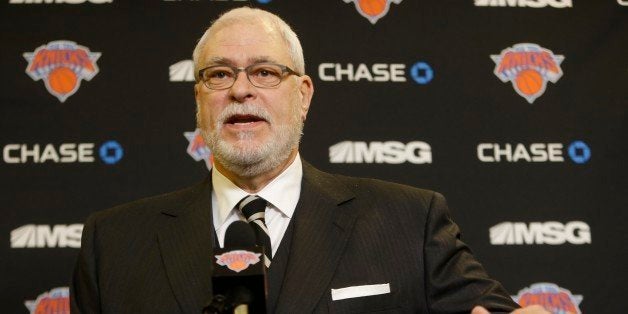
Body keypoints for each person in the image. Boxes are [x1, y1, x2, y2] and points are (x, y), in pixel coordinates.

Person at [70, 7, 550, 314]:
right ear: (199, 100)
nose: (241, 89)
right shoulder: (112, 243)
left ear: (303, 95)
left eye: (264, 72)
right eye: (219, 74)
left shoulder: (409, 221)